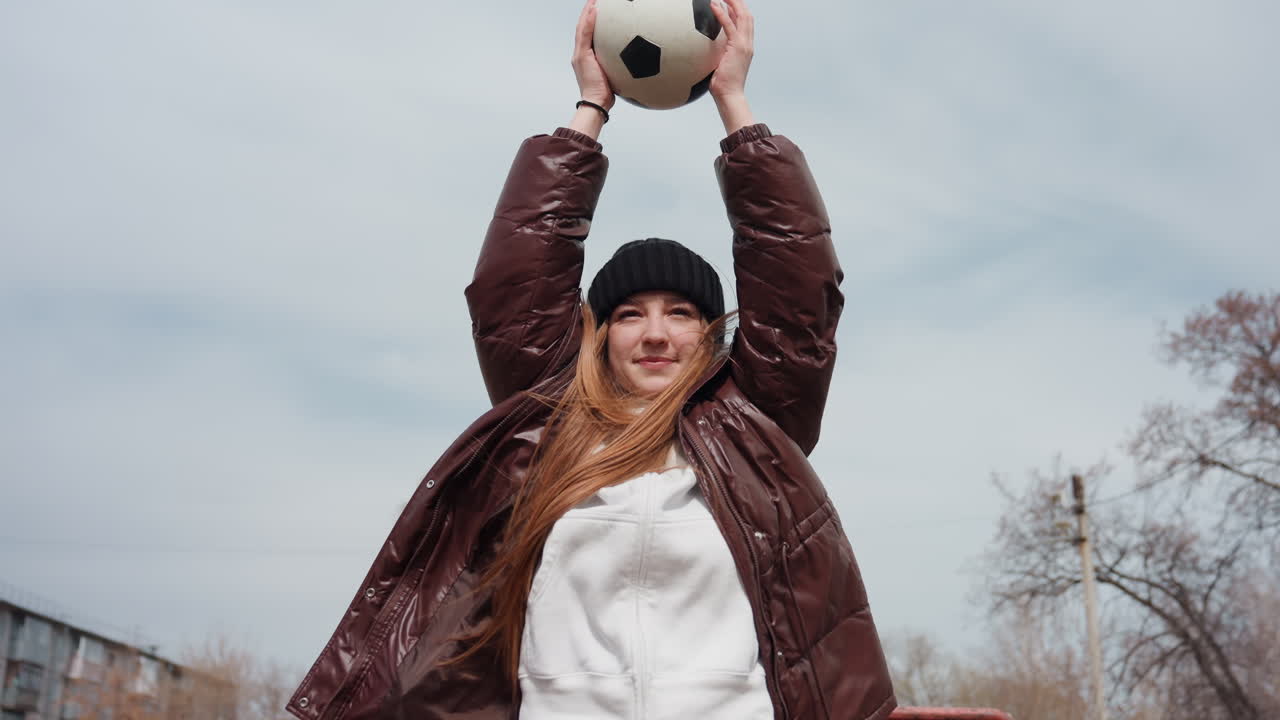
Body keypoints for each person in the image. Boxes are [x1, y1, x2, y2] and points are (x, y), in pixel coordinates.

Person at [287, 1, 895, 718]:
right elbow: (514, 280)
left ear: (712, 333)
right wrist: (589, 106)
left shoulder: (757, 427)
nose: (656, 333)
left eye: (681, 313)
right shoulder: (546, 430)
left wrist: (734, 102)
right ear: (598, 334)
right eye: (630, 314)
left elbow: (796, 279)